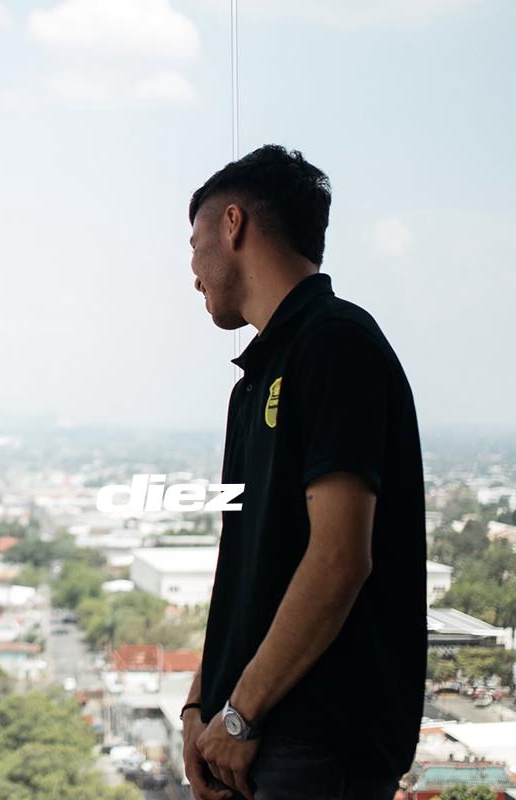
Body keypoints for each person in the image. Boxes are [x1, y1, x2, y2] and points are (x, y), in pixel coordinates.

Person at [179, 145, 426, 800]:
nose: (194, 273)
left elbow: (340, 557)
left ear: (233, 225)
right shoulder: (254, 382)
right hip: (253, 740)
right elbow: (244, 565)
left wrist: (240, 712)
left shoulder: (336, 344)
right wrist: (201, 703)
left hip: (317, 745)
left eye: (194, 242)